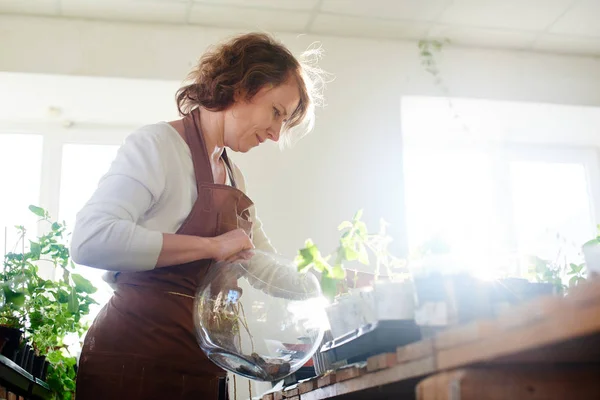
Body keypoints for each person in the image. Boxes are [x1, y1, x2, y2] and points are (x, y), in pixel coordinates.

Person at [70, 32, 326, 400]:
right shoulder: (158, 146)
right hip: (133, 361)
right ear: (243, 87)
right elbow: (89, 240)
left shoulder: (234, 176)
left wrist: (332, 282)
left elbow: (262, 264)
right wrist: (210, 246)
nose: (275, 134)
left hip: (199, 367)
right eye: (276, 113)